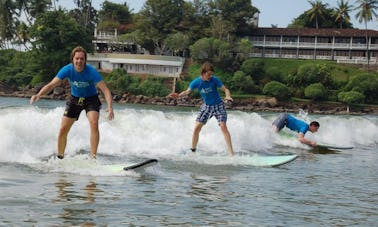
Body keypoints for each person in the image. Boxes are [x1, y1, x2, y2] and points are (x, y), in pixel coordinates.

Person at [30, 46, 114, 159]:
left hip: (91, 99)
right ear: (73, 59)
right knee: (63, 129)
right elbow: (51, 85)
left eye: (82, 59)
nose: (79, 61)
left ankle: (93, 157)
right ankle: (60, 157)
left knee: (94, 123)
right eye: (77, 58)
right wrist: (39, 94)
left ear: (85, 60)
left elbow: (105, 90)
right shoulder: (67, 70)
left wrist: (110, 107)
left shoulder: (91, 72)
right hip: (75, 99)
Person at [169, 62, 234, 156]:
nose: (210, 76)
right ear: (203, 73)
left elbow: (226, 89)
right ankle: (193, 150)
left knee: (223, 126)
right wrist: (178, 95)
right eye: (208, 74)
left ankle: (231, 153)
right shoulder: (196, 82)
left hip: (219, 105)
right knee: (196, 128)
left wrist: (227, 96)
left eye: (211, 74)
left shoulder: (214, 80)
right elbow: (187, 92)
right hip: (206, 106)